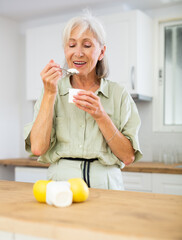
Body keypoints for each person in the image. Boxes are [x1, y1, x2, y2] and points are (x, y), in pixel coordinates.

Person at [24, 12, 142, 190]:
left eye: (87, 45)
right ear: (66, 50)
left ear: (101, 52)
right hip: (60, 185)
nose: (78, 53)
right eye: (72, 45)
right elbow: (38, 148)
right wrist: (49, 93)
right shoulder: (51, 91)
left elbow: (128, 157)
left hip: (107, 186)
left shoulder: (119, 94)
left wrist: (101, 116)